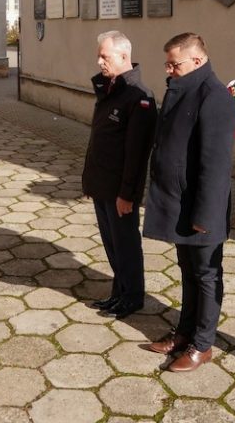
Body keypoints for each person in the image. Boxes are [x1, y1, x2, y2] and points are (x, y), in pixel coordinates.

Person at [141, 33, 235, 372]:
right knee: (188, 270)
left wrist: (206, 216)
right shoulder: (182, 88)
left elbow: (216, 165)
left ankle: (203, 344)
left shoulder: (215, 97)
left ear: (197, 60)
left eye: (174, 64)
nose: (168, 70)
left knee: (206, 274)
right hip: (179, 202)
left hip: (201, 208)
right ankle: (184, 332)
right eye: (167, 64)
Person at [82, 31, 157, 319]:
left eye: (105, 56)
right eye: (99, 56)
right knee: (112, 245)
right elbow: (99, 142)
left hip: (119, 191)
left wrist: (127, 195)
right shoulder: (110, 88)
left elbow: (137, 155)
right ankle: (119, 292)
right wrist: (89, 182)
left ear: (124, 56)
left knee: (126, 245)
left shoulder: (139, 97)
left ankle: (132, 297)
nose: (99, 62)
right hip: (102, 185)